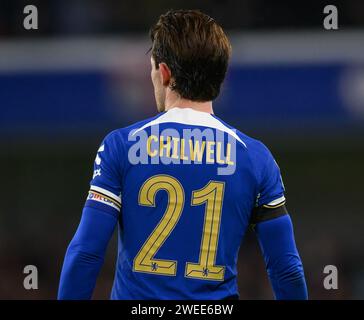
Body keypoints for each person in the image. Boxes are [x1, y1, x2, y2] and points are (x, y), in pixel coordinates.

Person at [58, 9, 307, 300]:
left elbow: (86, 254)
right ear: (220, 76)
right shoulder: (255, 157)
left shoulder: (122, 146)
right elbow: (286, 268)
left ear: (164, 73)